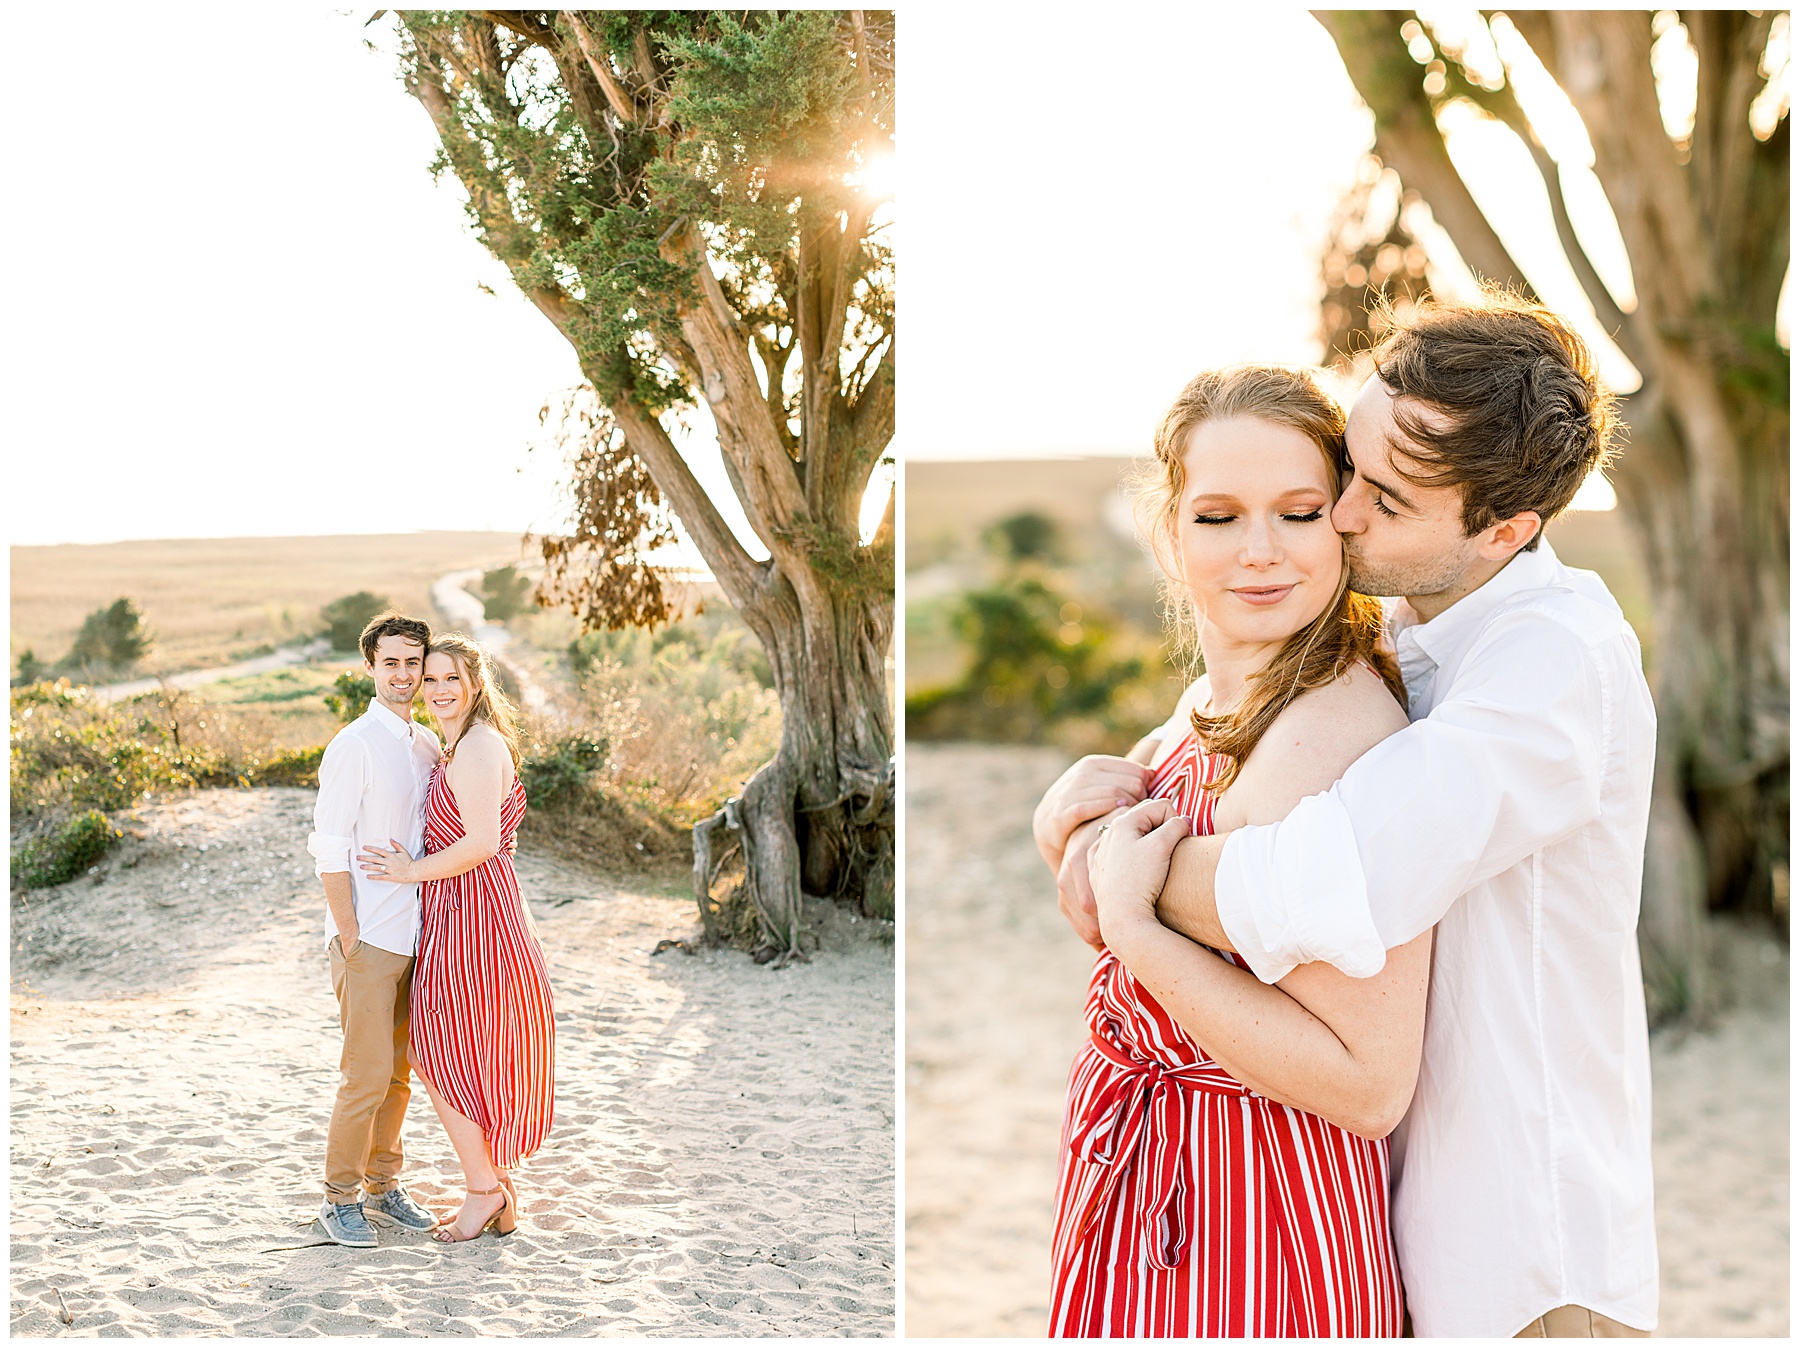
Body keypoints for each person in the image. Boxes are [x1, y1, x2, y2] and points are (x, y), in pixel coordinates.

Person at [1060, 292, 1658, 1337]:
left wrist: (1129, 886)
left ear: (1505, 530)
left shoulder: (1551, 667)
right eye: (1348, 475)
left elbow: (1324, 881)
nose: (1337, 520)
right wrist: (1082, 809)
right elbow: (1230, 718)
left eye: (1376, 498)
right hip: (1405, 1220)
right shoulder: (1415, 609)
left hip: (1522, 1257)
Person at [1034, 364, 1429, 1337]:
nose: (1260, 552)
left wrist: (1132, 922)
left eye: (1297, 512)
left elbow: (1367, 1083)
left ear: (1344, 518)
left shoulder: (1335, 728)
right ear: (1169, 534)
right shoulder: (1203, 713)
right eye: (1218, 517)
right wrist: (1065, 828)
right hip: (1146, 1179)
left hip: (1255, 1211)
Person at [360, 632, 555, 1242]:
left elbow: (481, 843)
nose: (440, 689)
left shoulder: (475, 747)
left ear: (476, 683)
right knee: (457, 1052)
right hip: (461, 910)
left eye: (452, 679)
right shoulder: (459, 744)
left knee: (437, 1051)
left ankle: (482, 1190)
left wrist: (407, 870)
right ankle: (489, 1182)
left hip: (475, 914)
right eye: (432, 678)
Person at [306, 611, 444, 1247]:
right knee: (363, 1075)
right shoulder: (352, 745)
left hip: (419, 939)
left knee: (399, 1074)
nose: (404, 674)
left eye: (413, 662)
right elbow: (330, 849)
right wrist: (350, 935)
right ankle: (339, 1199)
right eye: (390, 662)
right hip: (369, 941)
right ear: (370, 667)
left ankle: (384, 1187)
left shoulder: (424, 744)